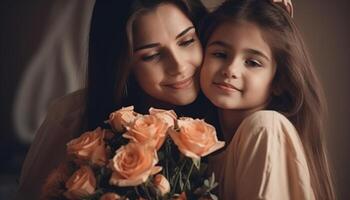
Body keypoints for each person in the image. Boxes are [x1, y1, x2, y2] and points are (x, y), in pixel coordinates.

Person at [15, 1, 208, 199]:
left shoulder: (232, 113)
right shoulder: (71, 116)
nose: (179, 66)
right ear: (122, 63)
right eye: (152, 55)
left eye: (187, 41)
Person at [199, 0, 335, 199]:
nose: (231, 69)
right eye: (220, 54)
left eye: (252, 62)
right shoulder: (206, 154)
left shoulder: (264, 128)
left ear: (278, 81)